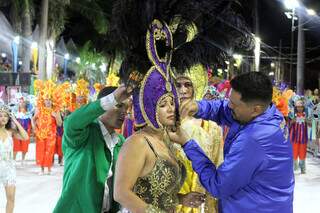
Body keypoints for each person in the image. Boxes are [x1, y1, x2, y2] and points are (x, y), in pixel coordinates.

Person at [113, 19, 205, 213]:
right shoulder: (137, 143)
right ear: (148, 107)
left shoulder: (167, 140)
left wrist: (182, 199)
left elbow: (161, 193)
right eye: (163, 104)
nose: (171, 108)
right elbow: (121, 193)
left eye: (172, 102)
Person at [168, 72, 294, 213]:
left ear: (255, 109)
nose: (229, 106)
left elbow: (218, 186)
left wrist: (187, 144)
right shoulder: (269, 113)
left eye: (234, 104)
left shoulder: (254, 139)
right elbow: (224, 110)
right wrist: (198, 107)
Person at [53, 85, 130, 213]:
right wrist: (112, 99)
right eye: (119, 105)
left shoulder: (120, 141)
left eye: (127, 108)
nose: (124, 112)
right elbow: (72, 122)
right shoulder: (84, 132)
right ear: (104, 104)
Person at [176, 69, 223, 213]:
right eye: (178, 85)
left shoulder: (211, 128)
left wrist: (211, 208)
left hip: (196, 207)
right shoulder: (160, 124)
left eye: (187, 85)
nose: (183, 90)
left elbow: (216, 169)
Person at [0, 104, 29, 213]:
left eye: (5, 116)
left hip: (9, 168)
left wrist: (15, 121)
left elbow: (25, 137)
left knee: (11, 198)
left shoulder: (11, 131)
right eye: (0, 116)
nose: (3, 118)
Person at [289, 99, 309, 173]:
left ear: (303, 107)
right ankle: (295, 167)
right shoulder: (292, 114)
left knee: (302, 152)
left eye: (301, 107)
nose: (299, 108)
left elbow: (310, 124)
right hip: (294, 137)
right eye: (298, 107)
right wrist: (292, 121)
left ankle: (303, 168)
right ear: (296, 107)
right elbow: (288, 125)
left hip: (303, 138)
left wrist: (306, 120)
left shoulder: (306, 115)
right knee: (294, 152)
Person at [13, 98, 32, 165]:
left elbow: (31, 124)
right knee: (16, 146)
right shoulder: (16, 114)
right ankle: (14, 159)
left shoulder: (29, 115)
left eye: (23, 106)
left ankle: (23, 159)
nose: (22, 107)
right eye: (21, 106)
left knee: (25, 146)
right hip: (17, 132)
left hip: (26, 132)